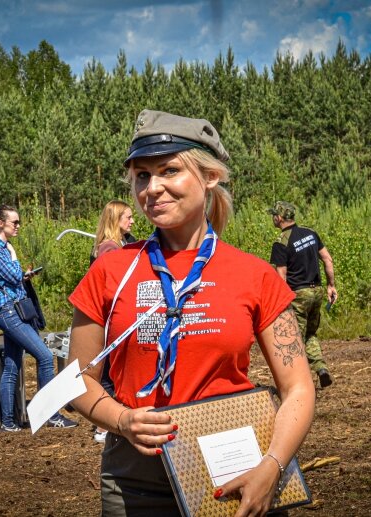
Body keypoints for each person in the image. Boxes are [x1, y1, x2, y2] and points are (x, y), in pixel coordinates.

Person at [68, 110, 315, 516]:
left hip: (237, 471)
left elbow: (299, 389)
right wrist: (122, 420)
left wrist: (272, 466)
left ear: (210, 176)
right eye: (142, 176)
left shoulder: (255, 274)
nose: (153, 188)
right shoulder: (110, 270)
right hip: (135, 482)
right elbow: (76, 380)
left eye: (169, 170)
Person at [0, 204, 78, 432]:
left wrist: (22, 275)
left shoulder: (0, 248)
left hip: (11, 309)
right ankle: (51, 415)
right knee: (45, 357)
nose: (18, 226)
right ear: (0, 223)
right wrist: (15, 258)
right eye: (14, 222)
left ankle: (8, 422)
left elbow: (12, 278)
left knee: (12, 366)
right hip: (8, 311)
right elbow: (13, 275)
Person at [268, 201, 338, 388]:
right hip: (317, 291)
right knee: (310, 334)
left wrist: (280, 302)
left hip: (298, 295)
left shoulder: (281, 242)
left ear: (279, 218)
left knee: (294, 338)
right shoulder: (310, 233)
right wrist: (331, 286)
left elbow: (281, 276)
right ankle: (321, 368)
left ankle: (296, 384)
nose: (273, 218)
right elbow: (327, 259)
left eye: (274, 215)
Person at [89, 200, 135, 443]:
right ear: (116, 220)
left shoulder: (119, 245)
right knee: (110, 372)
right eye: (128, 217)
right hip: (111, 319)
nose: (132, 221)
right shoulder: (110, 249)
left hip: (114, 318)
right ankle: (104, 426)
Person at [90, 200, 135, 265]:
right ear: (116, 219)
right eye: (129, 218)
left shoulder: (128, 239)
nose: (132, 221)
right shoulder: (108, 248)